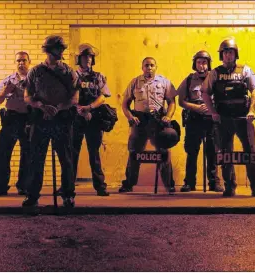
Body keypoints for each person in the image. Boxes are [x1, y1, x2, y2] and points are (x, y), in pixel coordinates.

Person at [201, 38, 255, 197]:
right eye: (225, 52)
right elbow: (205, 93)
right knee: (225, 153)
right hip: (223, 118)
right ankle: (229, 186)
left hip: (243, 118)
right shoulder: (214, 73)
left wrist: (251, 111)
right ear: (221, 55)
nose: (228, 55)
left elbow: (254, 91)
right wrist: (213, 112)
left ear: (235, 54)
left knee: (250, 151)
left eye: (230, 52)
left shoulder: (245, 70)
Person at [22, 35, 78, 207]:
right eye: (58, 48)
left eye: (62, 48)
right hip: (40, 119)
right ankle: (32, 195)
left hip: (62, 120)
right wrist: (41, 105)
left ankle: (68, 195)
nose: (61, 51)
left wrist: (59, 107)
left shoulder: (69, 72)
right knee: (36, 158)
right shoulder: (36, 71)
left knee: (66, 158)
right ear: (49, 50)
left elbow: (75, 97)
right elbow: (27, 96)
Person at [118, 57, 178, 194]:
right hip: (140, 121)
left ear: (156, 67)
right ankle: (128, 184)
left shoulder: (164, 82)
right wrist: (130, 117)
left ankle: (169, 185)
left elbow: (172, 102)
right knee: (134, 152)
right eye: (146, 65)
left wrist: (168, 116)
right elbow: (125, 104)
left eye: (151, 65)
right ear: (142, 67)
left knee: (164, 151)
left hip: (157, 121)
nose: (149, 68)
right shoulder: (135, 82)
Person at [177, 50, 223, 192]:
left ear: (208, 64)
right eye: (199, 62)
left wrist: (210, 107)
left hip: (211, 119)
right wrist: (196, 107)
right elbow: (181, 101)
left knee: (212, 151)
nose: (201, 65)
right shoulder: (189, 80)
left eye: (204, 62)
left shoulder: (216, 78)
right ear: (194, 64)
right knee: (192, 151)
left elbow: (222, 98)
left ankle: (214, 182)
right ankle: (189, 182)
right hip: (194, 119)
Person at [72, 43, 111, 196]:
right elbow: (67, 95)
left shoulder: (98, 76)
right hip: (75, 118)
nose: (87, 59)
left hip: (93, 118)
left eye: (90, 57)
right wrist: (80, 110)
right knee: (72, 152)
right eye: (84, 56)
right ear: (79, 58)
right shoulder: (71, 75)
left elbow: (103, 96)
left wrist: (89, 108)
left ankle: (100, 186)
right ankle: (68, 185)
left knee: (94, 153)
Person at [0, 51, 31, 196]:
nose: (21, 63)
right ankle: (2, 186)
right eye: (18, 61)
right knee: (4, 153)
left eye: (24, 60)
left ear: (29, 62)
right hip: (10, 119)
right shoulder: (8, 80)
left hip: (28, 118)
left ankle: (23, 186)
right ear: (15, 63)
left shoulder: (34, 80)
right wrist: (5, 91)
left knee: (27, 153)